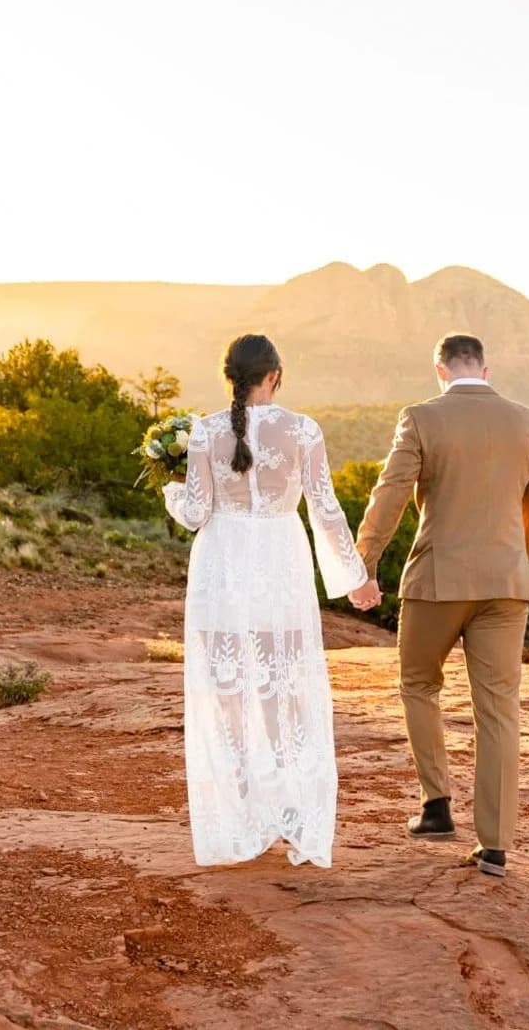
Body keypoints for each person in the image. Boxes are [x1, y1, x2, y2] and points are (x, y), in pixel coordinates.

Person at [162, 333, 377, 867]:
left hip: (223, 564)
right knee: (286, 688)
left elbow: (194, 513)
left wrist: (170, 494)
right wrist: (355, 578)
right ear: (274, 375)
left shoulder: (206, 432)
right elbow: (326, 510)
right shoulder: (303, 430)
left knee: (227, 693)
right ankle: (293, 815)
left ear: (230, 377)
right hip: (280, 563)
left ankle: (239, 821)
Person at [351, 333, 529, 877]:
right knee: (499, 710)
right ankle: (495, 846)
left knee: (419, 683)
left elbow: (389, 493)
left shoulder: (420, 417)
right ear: (484, 371)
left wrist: (364, 563)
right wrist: (513, 557)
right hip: (507, 582)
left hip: (438, 581)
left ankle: (436, 806)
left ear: (439, 370)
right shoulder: (528, 419)